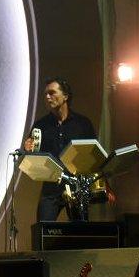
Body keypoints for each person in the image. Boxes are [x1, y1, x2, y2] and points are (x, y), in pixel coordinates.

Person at [24, 78, 101, 221]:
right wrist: (28, 149)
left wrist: (100, 184)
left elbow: (94, 154)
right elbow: (33, 157)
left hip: (76, 184)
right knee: (43, 228)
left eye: (52, 93)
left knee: (80, 231)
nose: (47, 97)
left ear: (65, 96)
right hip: (51, 185)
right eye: (45, 94)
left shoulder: (82, 124)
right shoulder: (41, 125)